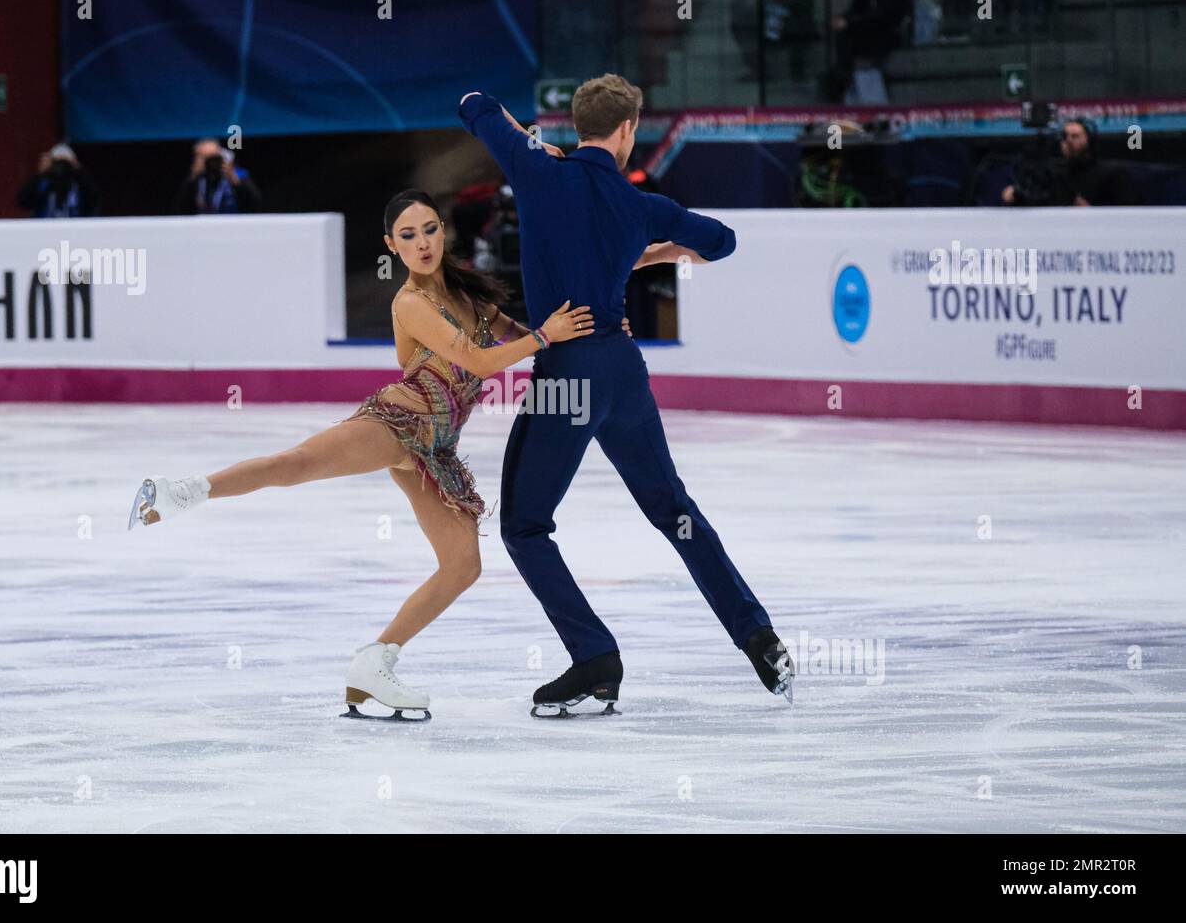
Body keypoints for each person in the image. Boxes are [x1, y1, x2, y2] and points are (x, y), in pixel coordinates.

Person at [126, 188, 630, 722]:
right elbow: (481, 362)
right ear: (391, 245)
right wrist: (546, 337)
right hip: (398, 422)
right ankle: (184, 490)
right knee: (297, 464)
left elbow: (529, 336)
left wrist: (596, 332)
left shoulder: (471, 296)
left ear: (443, 231)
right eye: (408, 236)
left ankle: (374, 664)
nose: (422, 243)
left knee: (462, 565)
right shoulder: (410, 302)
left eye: (430, 229)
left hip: (435, 450)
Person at [459, 75, 796, 718]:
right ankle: (759, 638)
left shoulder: (536, 169)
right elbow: (721, 241)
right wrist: (650, 253)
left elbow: (473, 104)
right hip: (623, 373)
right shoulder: (638, 202)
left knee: (525, 525)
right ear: (627, 132)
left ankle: (595, 657)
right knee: (674, 510)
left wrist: (534, 145)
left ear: (577, 125)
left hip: (566, 378)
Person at [1001, 118, 1138, 207]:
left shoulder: (1112, 174)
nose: (1069, 141)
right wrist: (1016, 196)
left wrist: (1095, 212)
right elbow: (1040, 201)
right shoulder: (1055, 174)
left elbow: (1132, 211)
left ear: (1089, 140)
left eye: (1075, 136)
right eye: (1064, 136)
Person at [827, 0, 912, 104]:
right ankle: (842, 81)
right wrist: (843, 18)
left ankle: (844, 81)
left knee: (851, 38)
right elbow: (856, 6)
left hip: (886, 29)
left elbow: (885, 12)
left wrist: (850, 21)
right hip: (865, 26)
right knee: (844, 36)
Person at [174, 137, 262, 214]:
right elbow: (180, 208)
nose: (211, 163)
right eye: (206, 159)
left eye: (214, 158)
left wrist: (235, 180)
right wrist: (192, 178)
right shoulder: (195, 180)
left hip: (233, 227)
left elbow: (256, 203)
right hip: (202, 228)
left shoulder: (238, 176)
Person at [15, 144, 100, 218]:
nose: (61, 167)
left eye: (64, 163)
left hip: (74, 232)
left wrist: (79, 170)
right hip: (45, 231)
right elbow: (23, 202)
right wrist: (40, 174)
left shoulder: (79, 184)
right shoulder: (42, 183)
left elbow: (93, 201)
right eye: (57, 163)